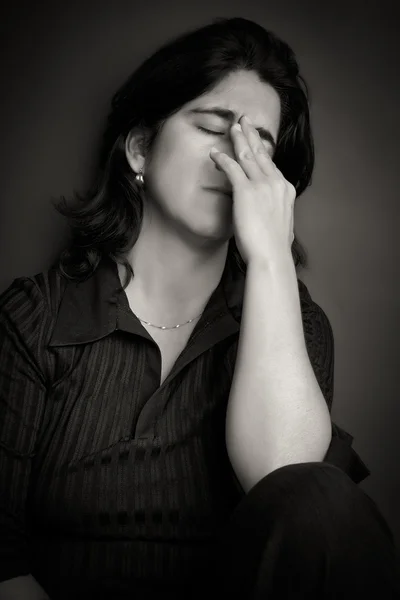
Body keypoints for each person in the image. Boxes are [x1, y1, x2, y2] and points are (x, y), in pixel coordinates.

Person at [0, 16, 398, 600]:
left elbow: (290, 489)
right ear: (140, 148)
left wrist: (269, 260)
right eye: (215, 126)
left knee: (325, 501)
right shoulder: (32, 319)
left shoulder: (298, 323)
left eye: (262, 144)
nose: (238, 159)